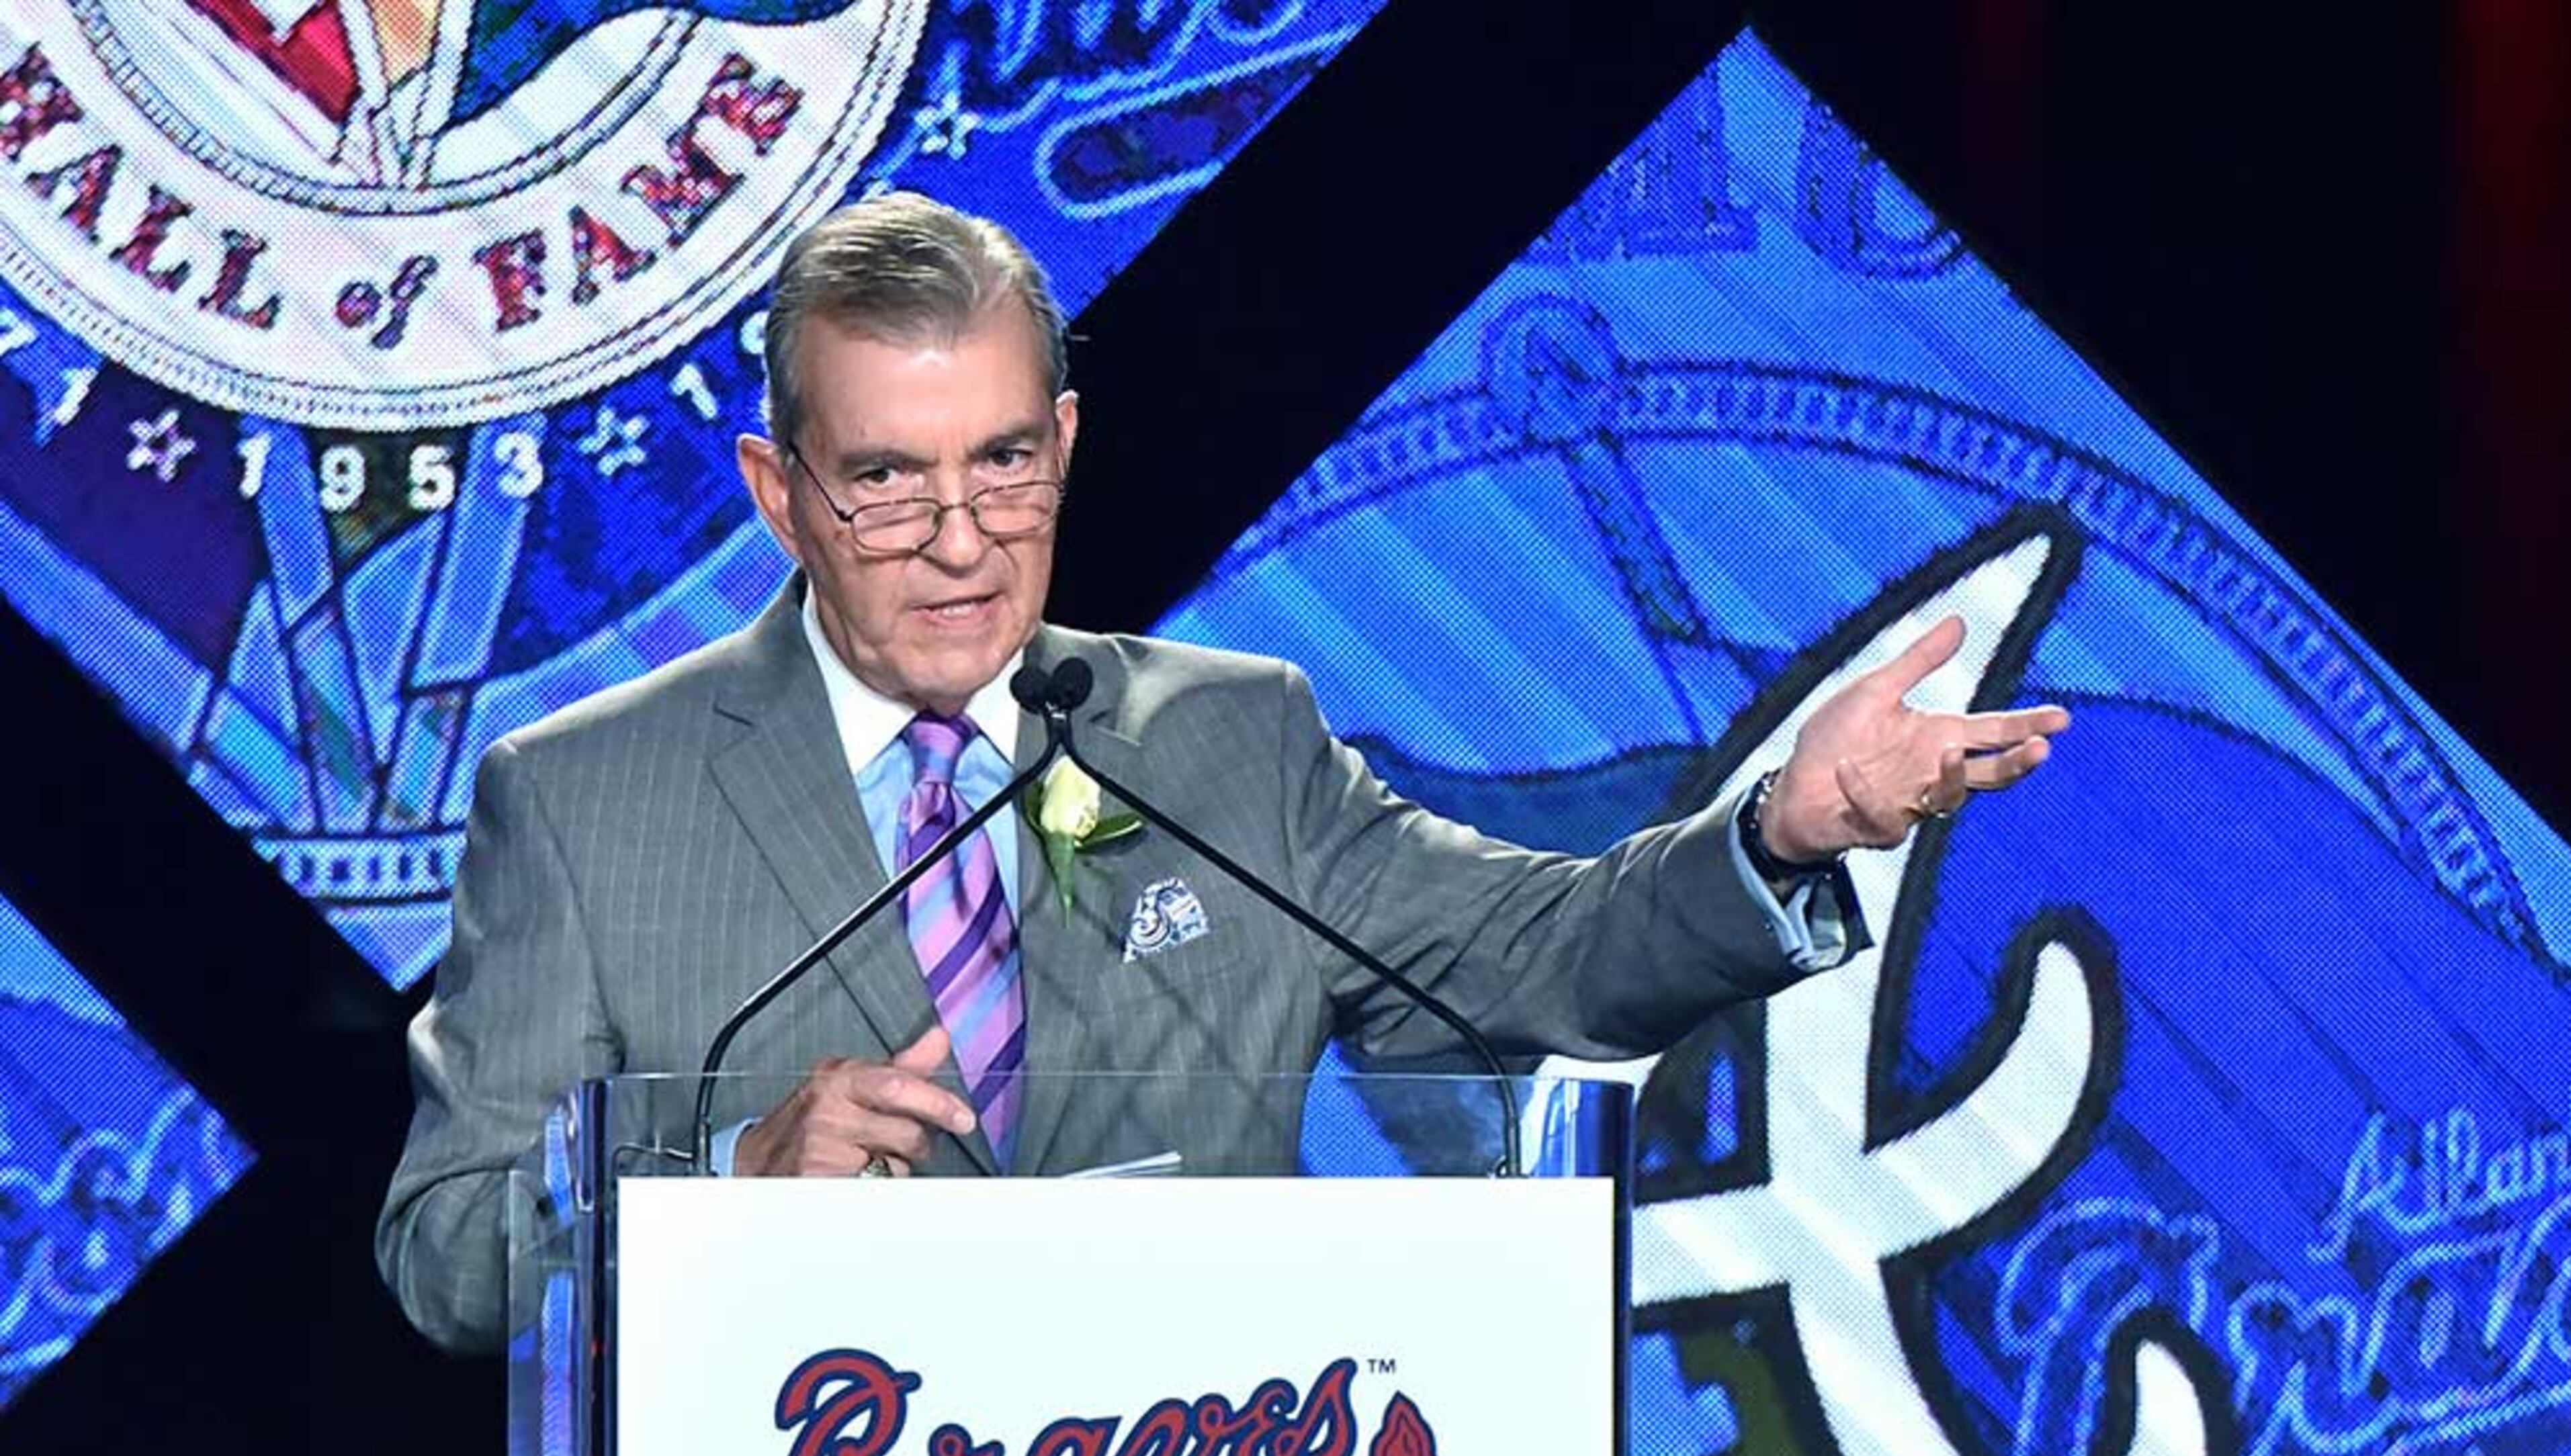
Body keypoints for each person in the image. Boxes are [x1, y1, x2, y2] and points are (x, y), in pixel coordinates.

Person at [376, 192, 2067, 1354]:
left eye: (1007, 463)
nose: (963, 544)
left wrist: (1774, 829)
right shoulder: (585, 800)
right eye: (888, 480)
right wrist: (718, 1191)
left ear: (1068, 445)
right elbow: (447, 1258)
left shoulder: (1226, 741)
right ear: (777, 489)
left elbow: (1535, 957)